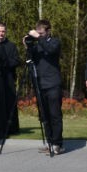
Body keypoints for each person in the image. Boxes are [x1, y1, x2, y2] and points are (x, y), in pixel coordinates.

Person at [23, 19, 64, 154]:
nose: (39, 35)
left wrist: (37, 38)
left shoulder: (54, 42)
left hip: (53, 84)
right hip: (40, 84)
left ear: (48, 31)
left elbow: (51, 50)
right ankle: (49, 142)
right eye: (38, 33)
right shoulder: (38, 45)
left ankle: (57, 144)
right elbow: (30, 59)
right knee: (44, 116)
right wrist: (27, 45)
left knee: (55, 115)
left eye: (41, 33)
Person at [0, 23, 21, 134]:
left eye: (3, 31)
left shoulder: (11, 46)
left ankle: (12, 128)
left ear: (6, 32)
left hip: (9, 78)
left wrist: (4, 63)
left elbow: (16, 61)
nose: (1, 33)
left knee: (10, 103)